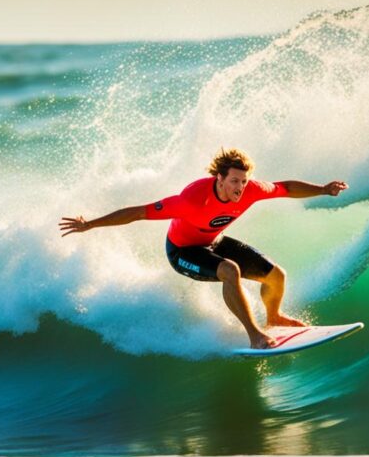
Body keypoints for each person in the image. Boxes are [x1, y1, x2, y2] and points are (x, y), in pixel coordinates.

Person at [59, 148, 348, 349]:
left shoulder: (252, 190)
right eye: (234, 181)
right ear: (218, 179)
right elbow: (139, 212)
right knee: (229, 270)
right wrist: (90, 224)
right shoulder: (191, 199)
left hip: (212, 241)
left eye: (243, 181)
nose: (239, 188)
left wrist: (323, 189)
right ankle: (255, 335)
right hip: (182, 252)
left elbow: (285, 187)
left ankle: (273, 317)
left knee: (276, 275)